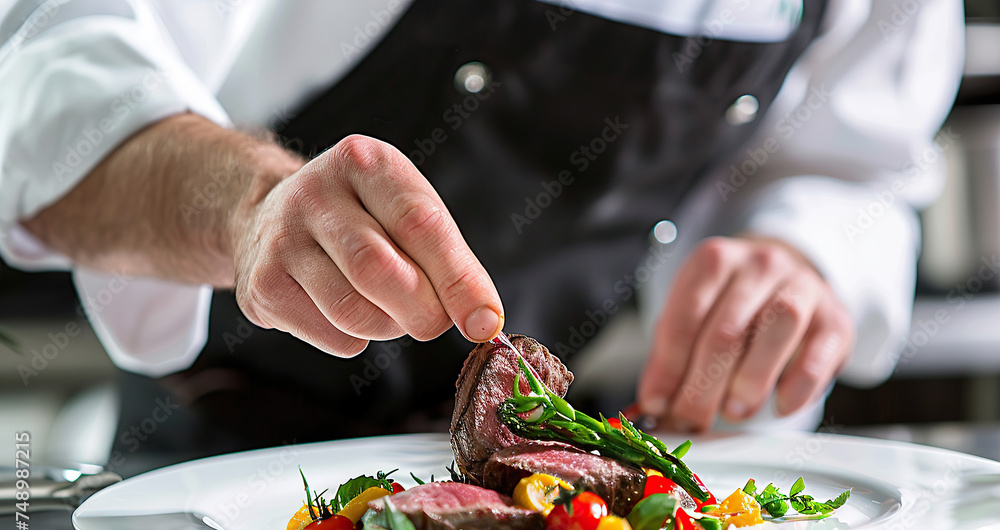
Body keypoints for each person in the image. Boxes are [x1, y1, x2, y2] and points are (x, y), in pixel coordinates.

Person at [0, 0, 963, 455]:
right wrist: (248, 208)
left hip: (613, 497)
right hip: (231, 481)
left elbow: (852, 161)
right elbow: (42, 70)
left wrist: (799, 255)